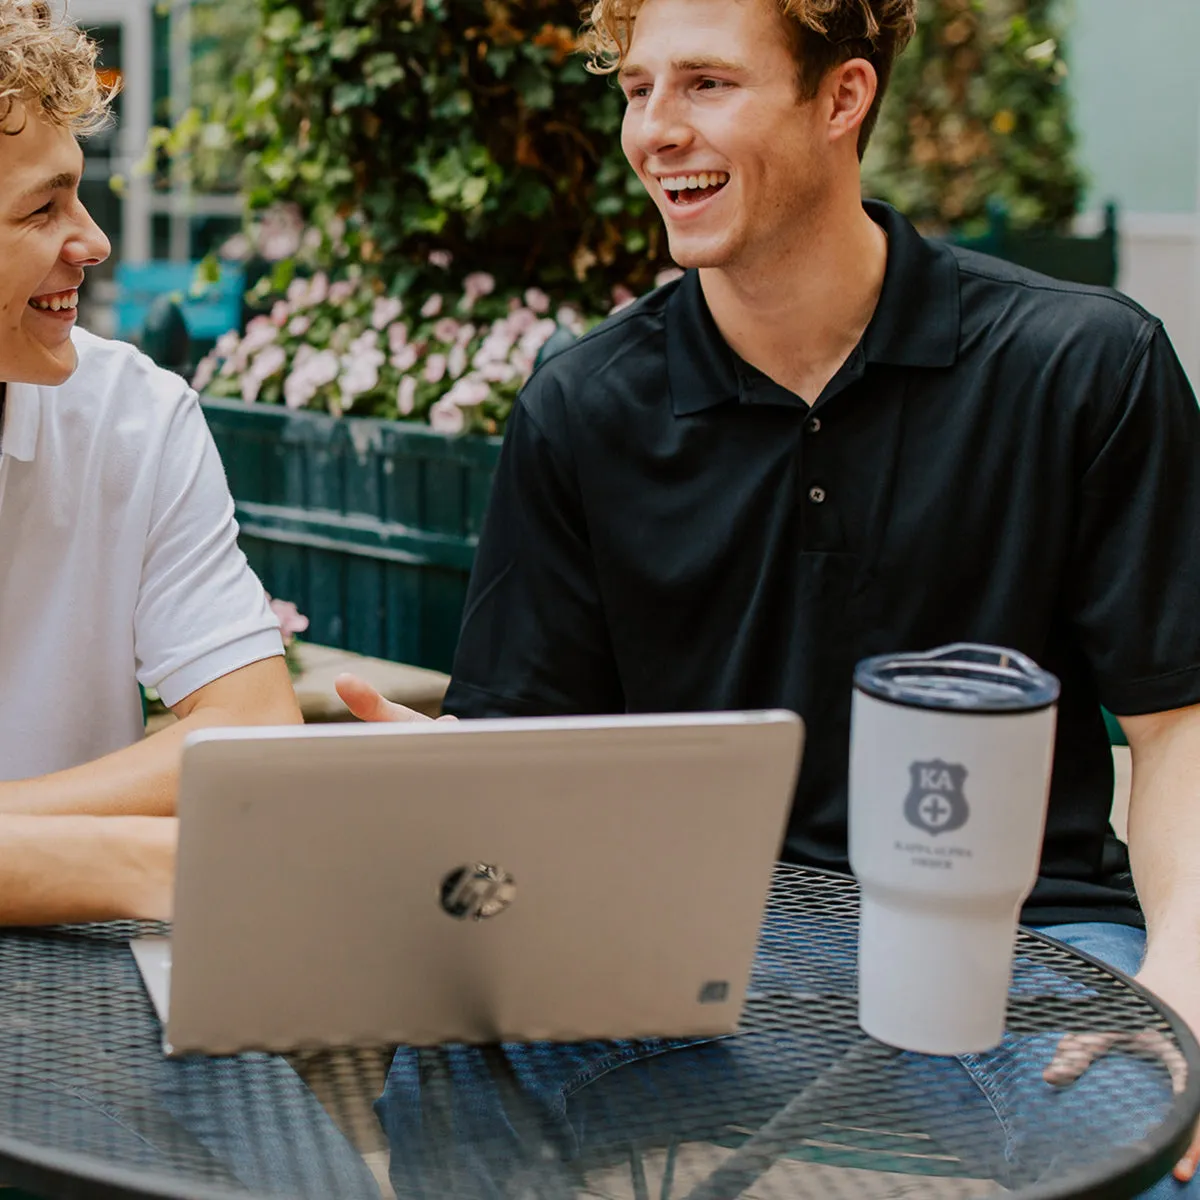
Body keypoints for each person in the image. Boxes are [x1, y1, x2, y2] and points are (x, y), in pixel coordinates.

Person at [342, 0, 1200, 1192]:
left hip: (1020, 948)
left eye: (705, 84)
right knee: (449, 1077)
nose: (654, 131)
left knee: (1160, 1122)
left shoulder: (1084, 366)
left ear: (842, 99)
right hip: (686, 964)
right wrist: (446, 788)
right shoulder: (582, 411)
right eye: (639, 89)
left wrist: (1188, 976)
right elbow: (526, 759)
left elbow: (1180, 728)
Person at [0, 1, 303, 926]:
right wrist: (126, 860)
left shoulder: (137, 413)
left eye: (77, 192)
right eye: (42, 207)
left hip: (98, 1002)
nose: (92, 241)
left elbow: (253, 734)